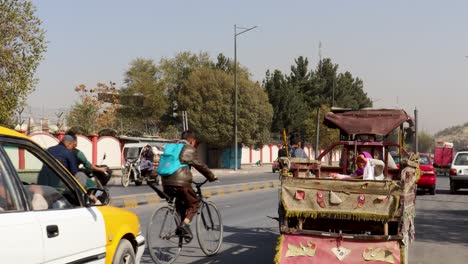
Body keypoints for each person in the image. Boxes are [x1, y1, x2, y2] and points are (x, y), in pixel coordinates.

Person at [161, 130, 217, 241]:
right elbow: (200, 166)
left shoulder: (172, 148)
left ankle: (184, 231)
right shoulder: (188, 149)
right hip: (181, 183)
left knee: (180, 204)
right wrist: (211, 176)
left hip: (166, 183)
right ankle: (184, 225)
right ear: (192, 141)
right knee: (195, 204)